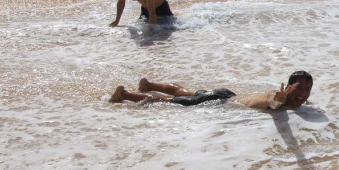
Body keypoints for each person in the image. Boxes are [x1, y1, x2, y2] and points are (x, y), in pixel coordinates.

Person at [109, 71, 313, 110]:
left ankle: (148, 84)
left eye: (307, 89)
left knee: (182, 91)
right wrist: (281, 97)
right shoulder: (277, 98)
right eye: (299, 88)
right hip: (217, 101)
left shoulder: (296, 100)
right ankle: (125, 95)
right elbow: (274, 102)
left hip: (227, 94)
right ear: (287, 88)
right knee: (164, 103)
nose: (303, 93)